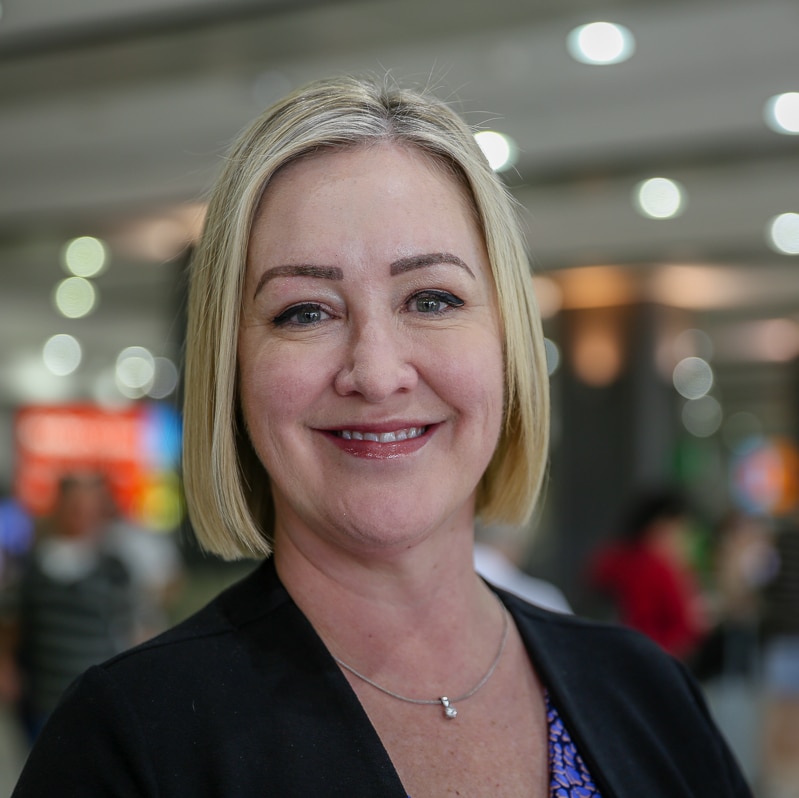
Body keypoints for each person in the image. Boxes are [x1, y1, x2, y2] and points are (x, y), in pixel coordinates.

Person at [13, 75, 752, 797]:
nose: (375, 371)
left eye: (430, 299)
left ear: (506, 345)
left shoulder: (645, 691)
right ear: (231, 369)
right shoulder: (128, 740)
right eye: (304, 311)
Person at [10, 473, 135, 742]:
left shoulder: (114, 567)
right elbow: (12, 621)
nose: (81, 513)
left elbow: (131, 627)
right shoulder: (32, 564)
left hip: (98, 699)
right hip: (44, 697)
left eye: (89, 505)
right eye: (75, 504)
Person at [587, 488, 709, 662]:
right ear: (659, 527)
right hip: (650, 663)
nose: (683, 541)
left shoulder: (616, 560)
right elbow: (681, 629)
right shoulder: (657, 569)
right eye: (681, 531)